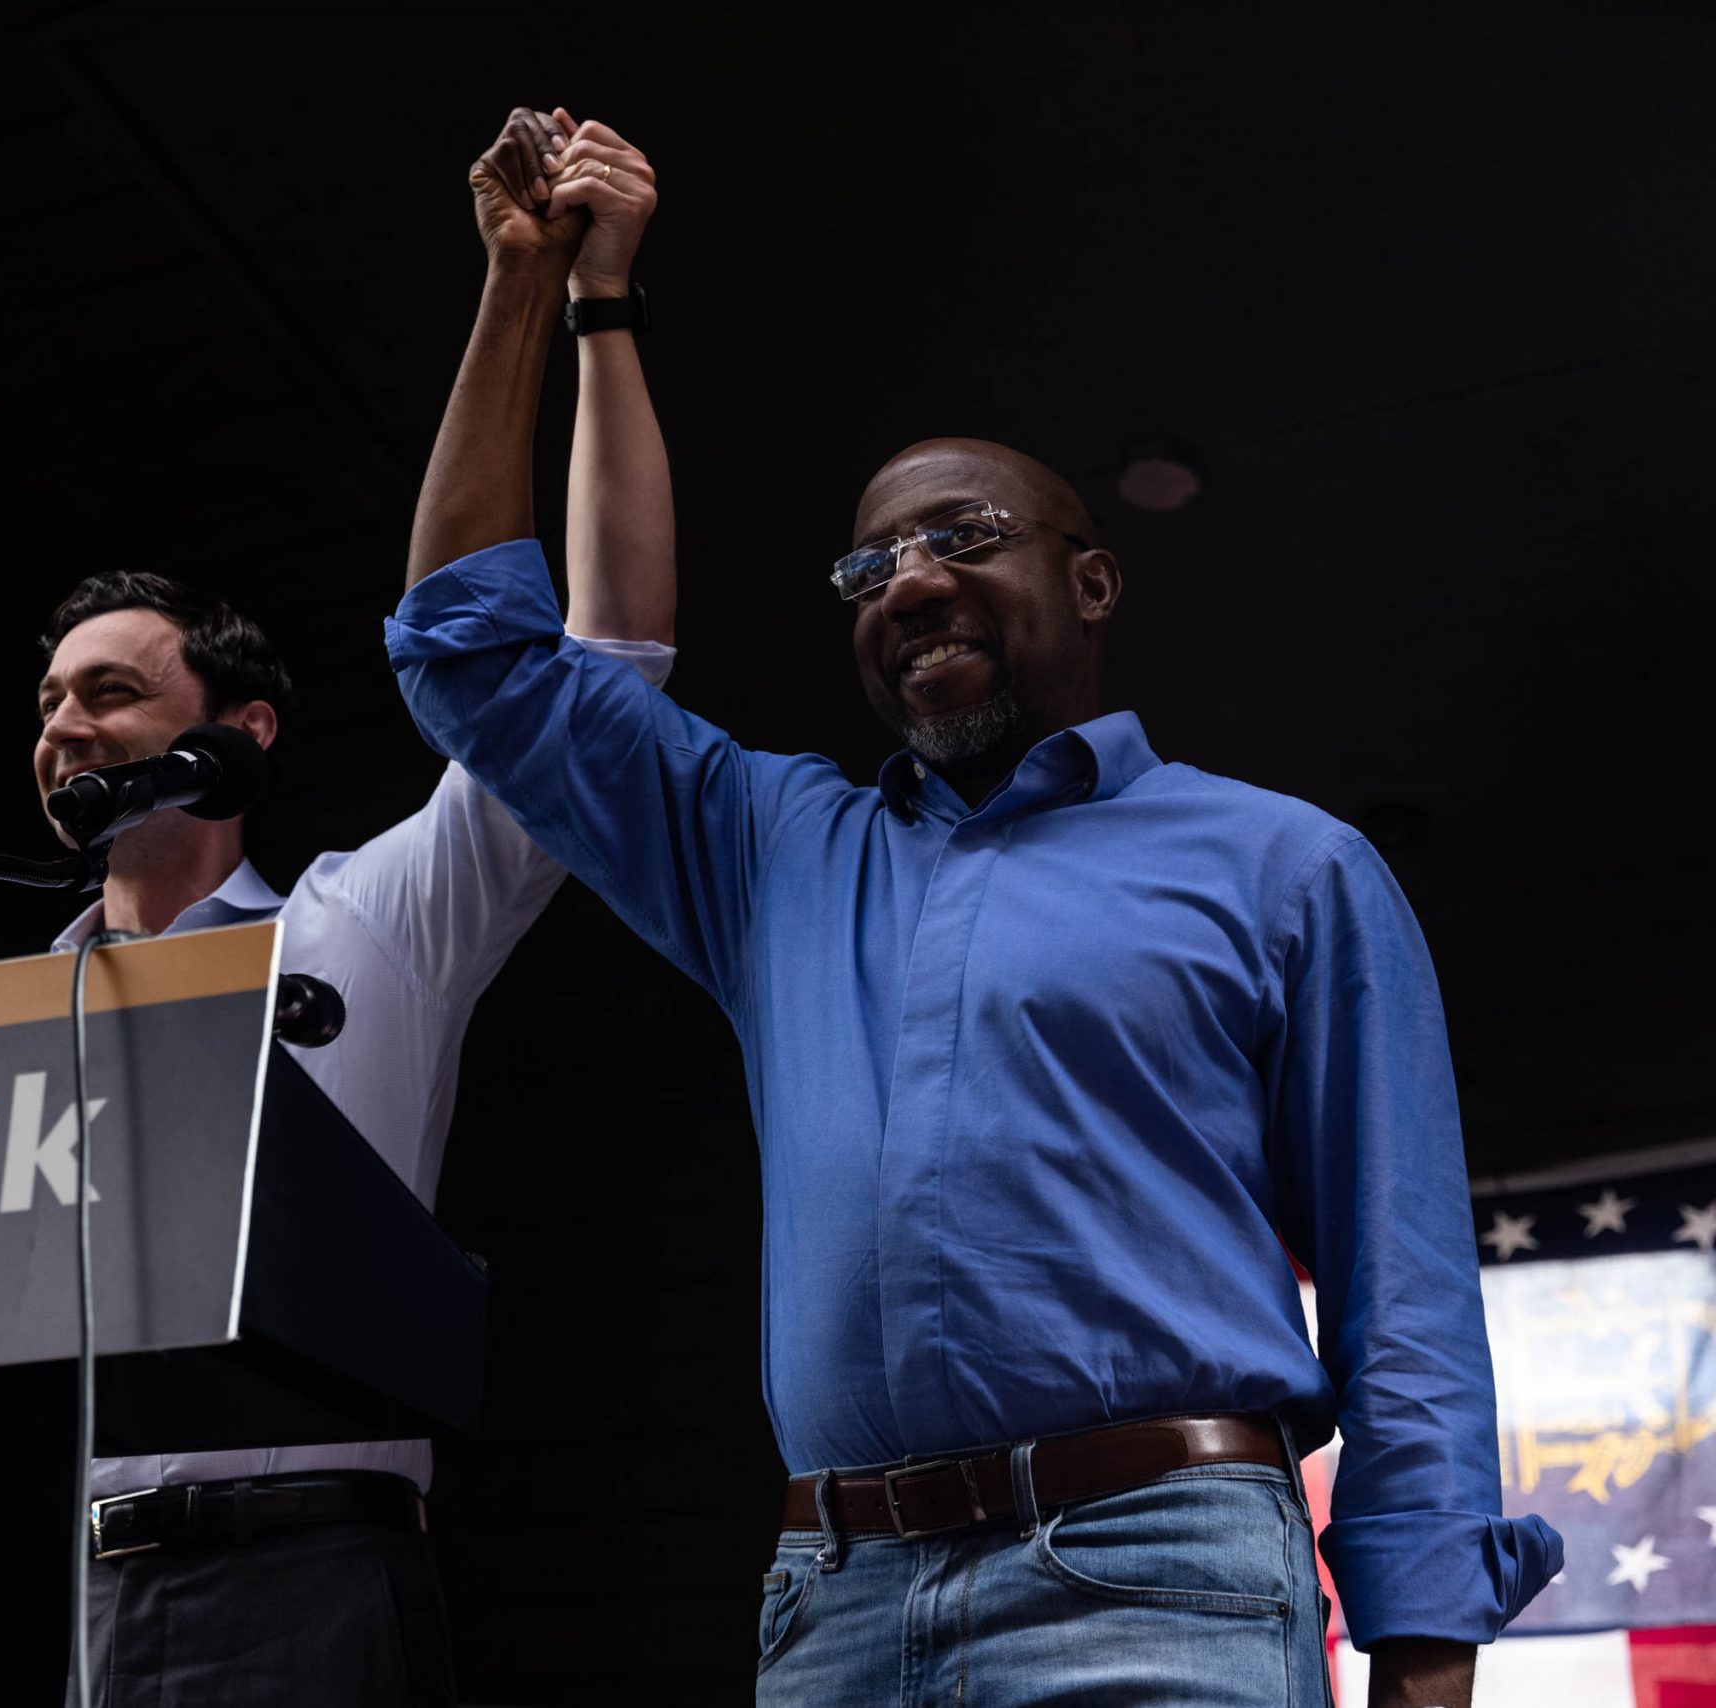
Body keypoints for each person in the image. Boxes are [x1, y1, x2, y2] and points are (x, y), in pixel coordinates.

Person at [386, 112, 1562, 1708]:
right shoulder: (774, 851)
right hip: (834, 1603)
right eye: (867, 569)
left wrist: (1426, 1662)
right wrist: (536, 283)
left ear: (1092, 583)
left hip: (1162, 1576)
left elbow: (1402, 1296)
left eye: (962, 538)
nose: (911, 581)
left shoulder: (1289, 866)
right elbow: (474, 656)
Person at [46, 107, 672, 1707]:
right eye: (49, 703)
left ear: (234, 731)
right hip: (62, 1582)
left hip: (312, 1580)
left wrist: (564, 300)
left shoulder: (369, 923)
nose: (62, 728)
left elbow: (602, 673)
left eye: (110, 694)